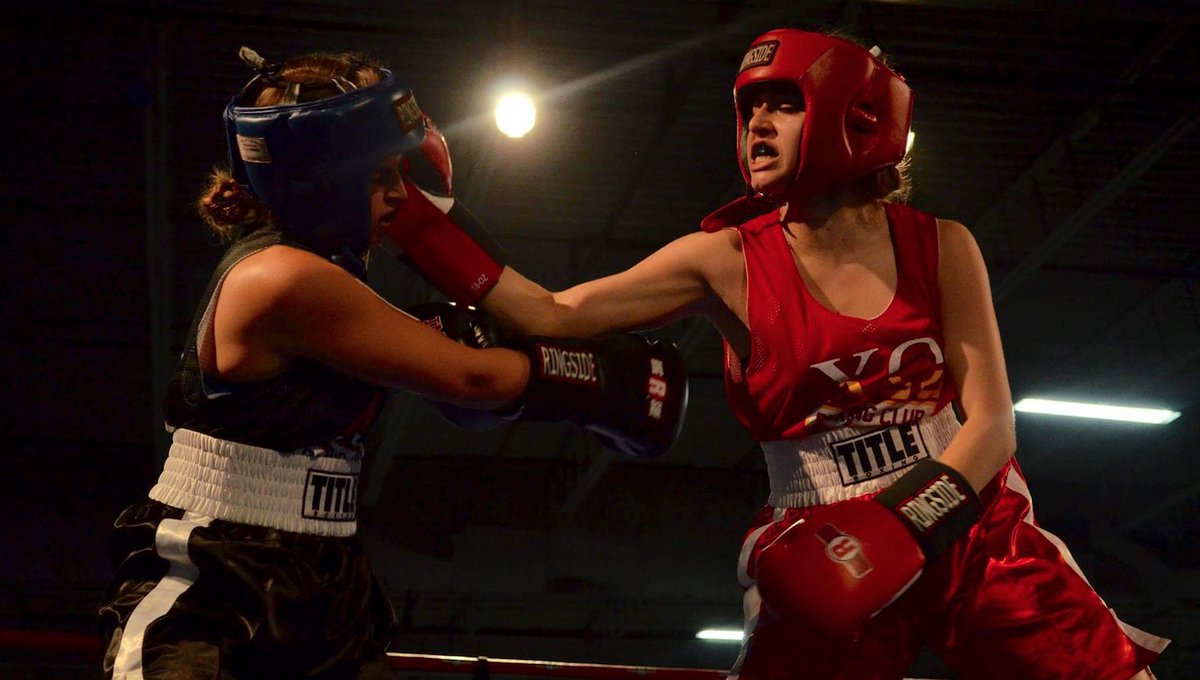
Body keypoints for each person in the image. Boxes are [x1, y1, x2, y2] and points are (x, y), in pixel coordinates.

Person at [385, 29, 1169, 680]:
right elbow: (551, 311)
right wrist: (418, 222)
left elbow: (993, 422)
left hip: (968, 517)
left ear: (857, 115)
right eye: (750, 107)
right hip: (814, 529)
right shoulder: (722, 258)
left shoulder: (942, 246)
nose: (756, 125)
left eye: (783, 103)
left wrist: (903, 522)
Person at [98, 48, 687, 679]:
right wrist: (607, 382)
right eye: (381, 177)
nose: (400, 196)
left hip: (325, 573)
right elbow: (474, 377)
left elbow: (535, 312)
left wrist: (443, 246)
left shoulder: (324, 259)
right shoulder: (281, 277)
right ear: (320, 182)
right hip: (216, 574)